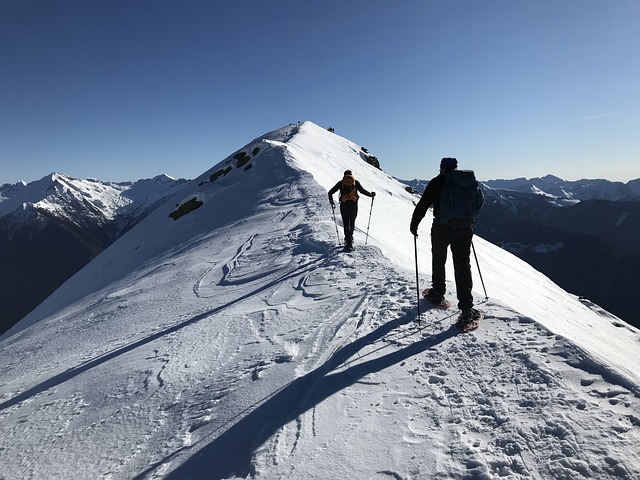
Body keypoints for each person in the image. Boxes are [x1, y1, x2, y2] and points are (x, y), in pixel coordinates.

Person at [409, 157, 481, 324]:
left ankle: (438, 292)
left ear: (441, 167)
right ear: (456, 167)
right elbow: (478, 203)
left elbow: (423, 204)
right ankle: (466, 309)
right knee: (463, 266)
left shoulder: (438, 181)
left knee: (439, 259)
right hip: (464, 228)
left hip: (442, 227)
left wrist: (414, 224)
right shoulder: (468, 181)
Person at [328, 170, 375, 250]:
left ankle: (347, 241)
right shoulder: (355, 182)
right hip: (353, 206)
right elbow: (362, 191)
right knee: (352, 222)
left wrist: (331, 201)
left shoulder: (341, 183)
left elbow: (330, 192)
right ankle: (351, 237)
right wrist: (371, 195)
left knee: (346, 223)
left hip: (344, 205)